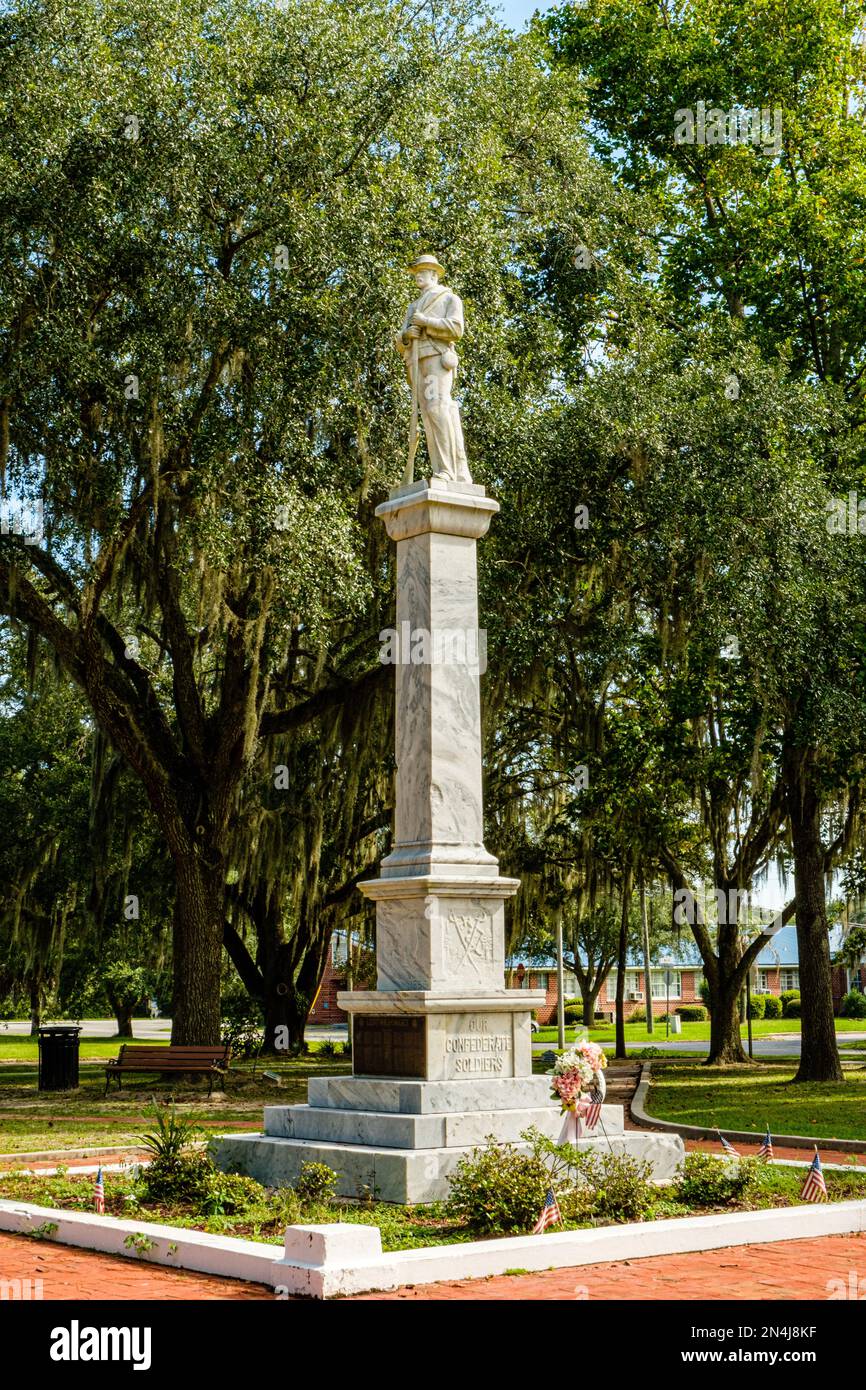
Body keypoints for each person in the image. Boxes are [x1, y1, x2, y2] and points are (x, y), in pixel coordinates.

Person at [395, 254, 471, 483]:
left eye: (423, 271)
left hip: (437, 358)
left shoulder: (449, 298)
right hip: (416, 362)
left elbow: (456, 329)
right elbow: (400, 339)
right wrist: (406, 336)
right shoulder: (413, 306)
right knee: (428, 414)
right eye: (416, 271)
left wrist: (427, 322)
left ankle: (449, 471)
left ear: (434, 274)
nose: (418, 275)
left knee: (438, 409)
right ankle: (443, 468)